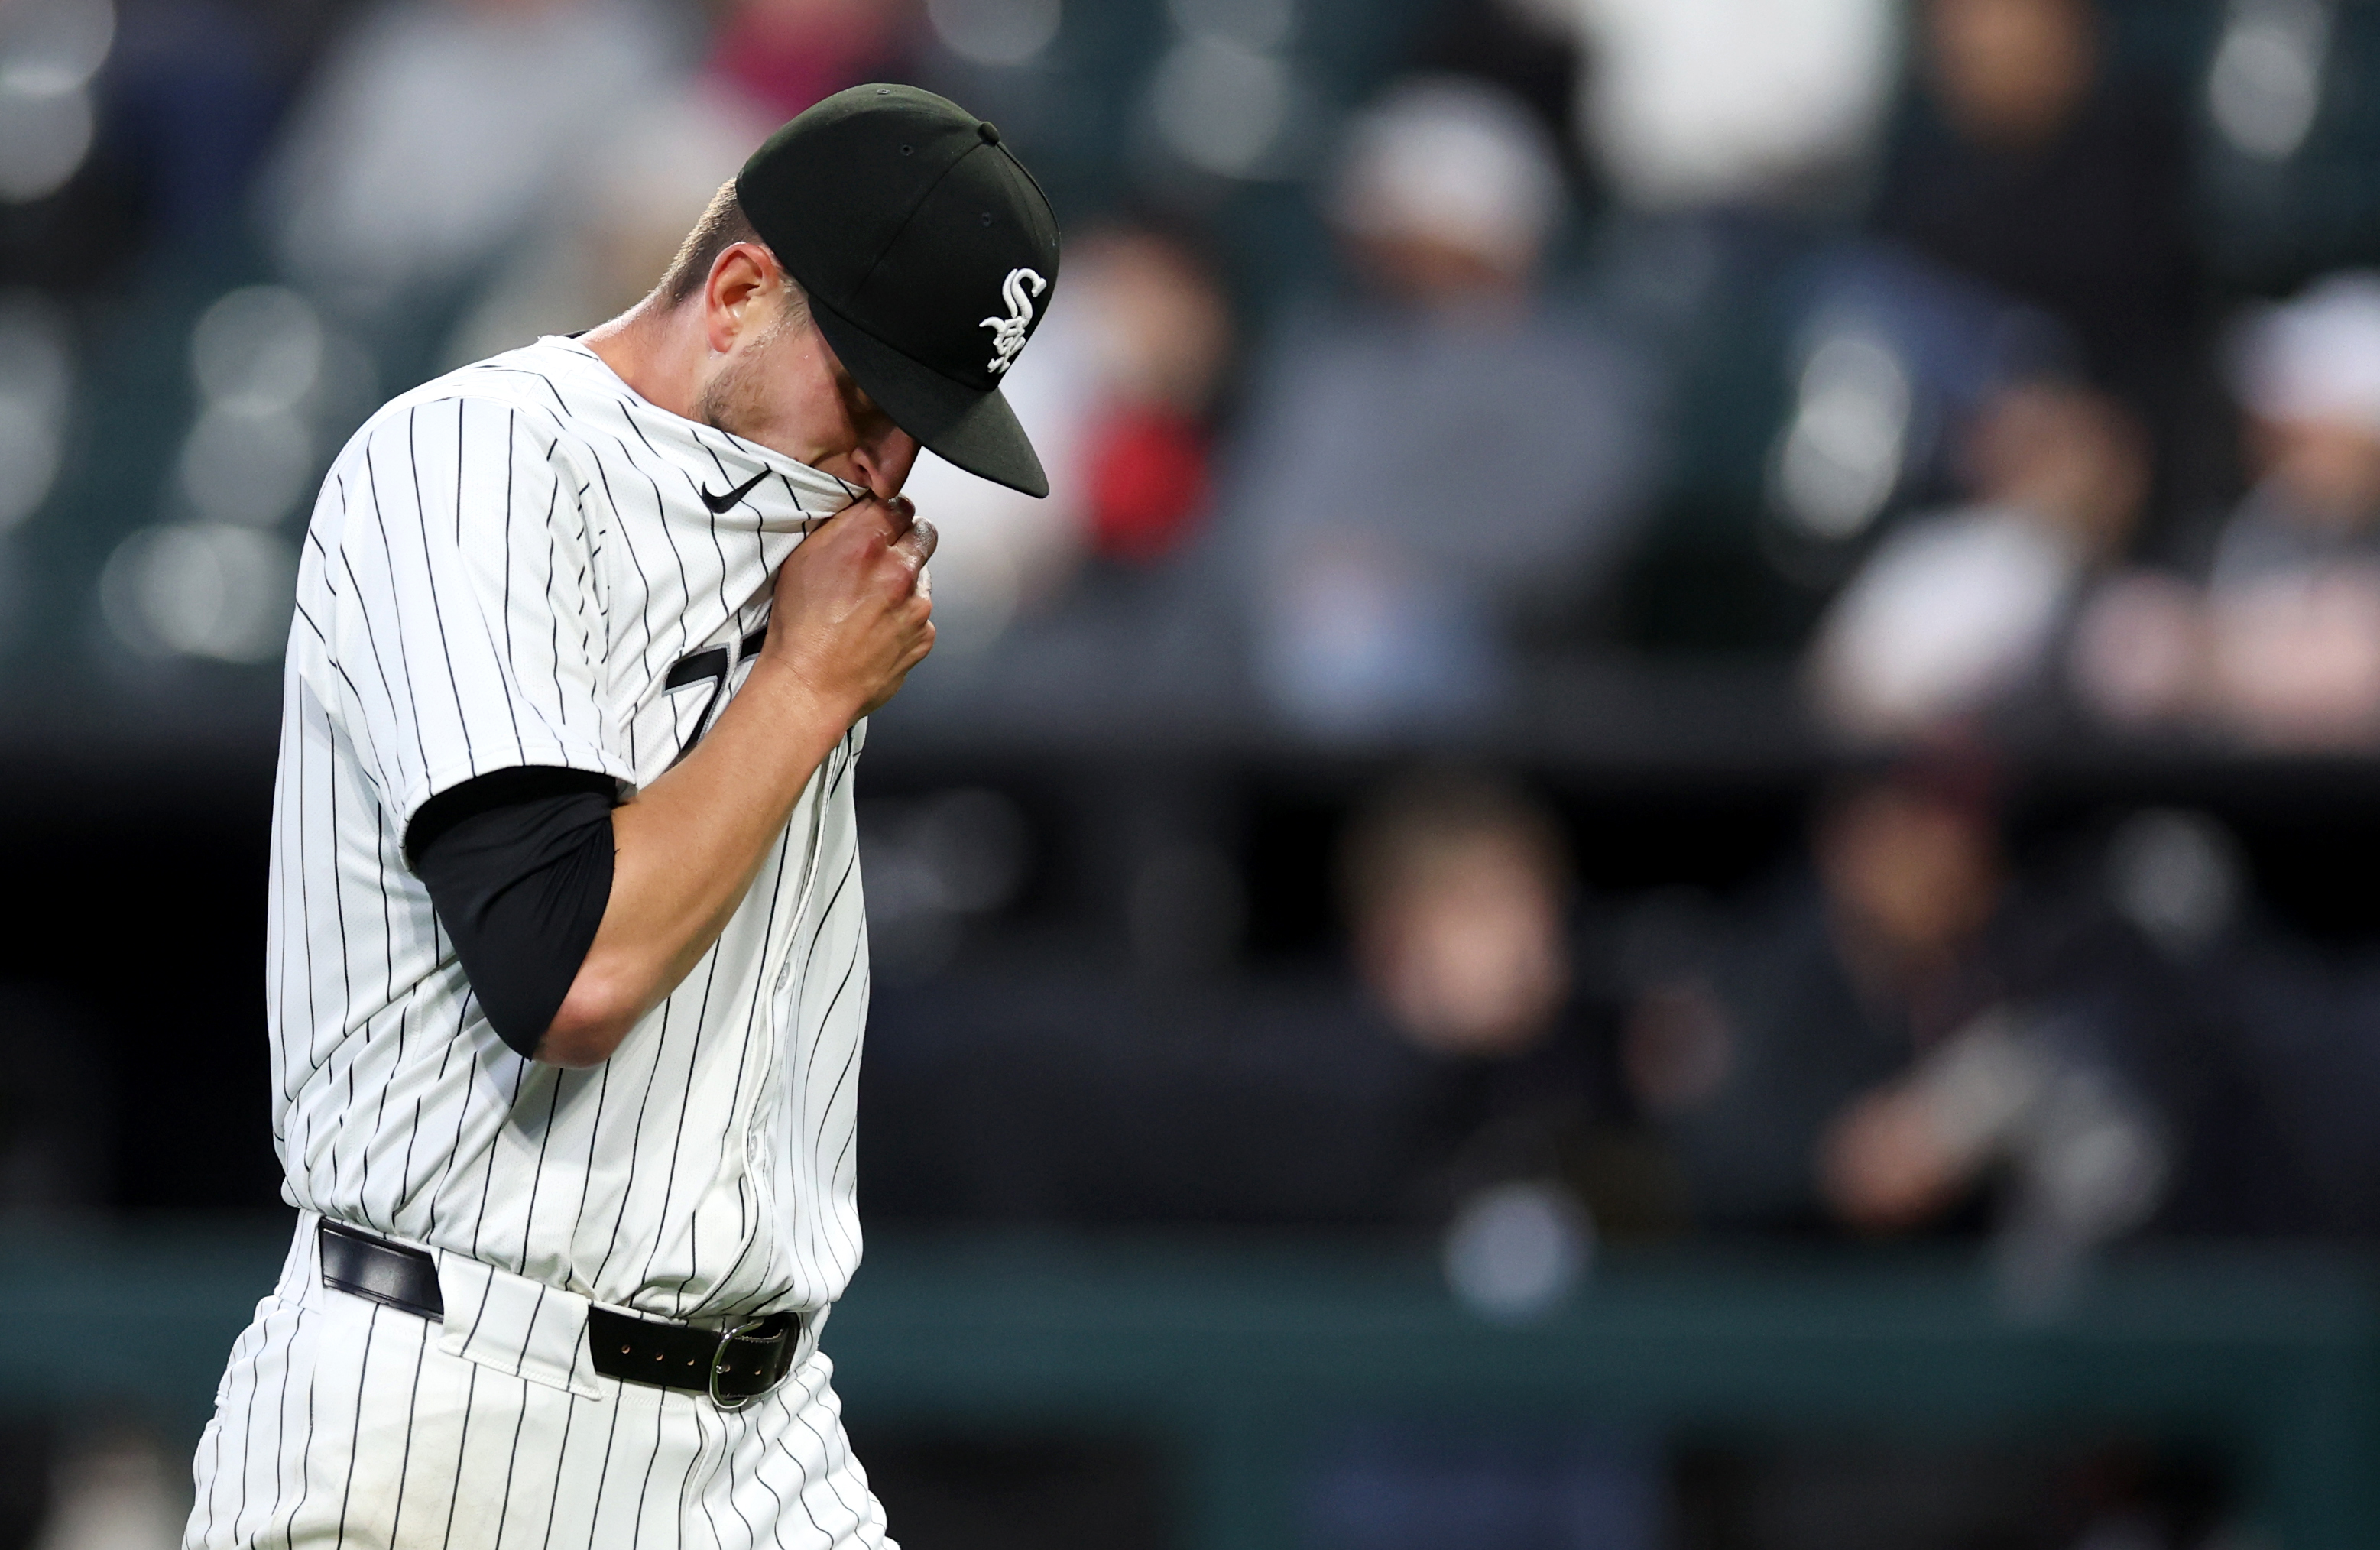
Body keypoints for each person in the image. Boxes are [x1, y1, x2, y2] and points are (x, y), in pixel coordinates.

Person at [184, 84, 1060, 1548]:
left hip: (764, 1428)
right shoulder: (470, 463)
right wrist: (799, 686)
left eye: (928, 429)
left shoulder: (804, 533)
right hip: (450, 1416)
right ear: (735, 294)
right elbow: (567, 968)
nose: (889, 471)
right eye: (872, 401)